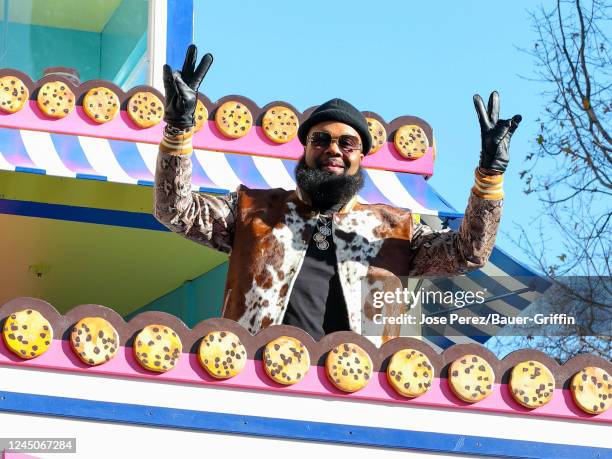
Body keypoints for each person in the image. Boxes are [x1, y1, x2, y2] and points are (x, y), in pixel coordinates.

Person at [154, 45, 522, 343]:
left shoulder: (397, 229)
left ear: (360, 157)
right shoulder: (254, 210)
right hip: (258, 385)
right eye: (321, 140)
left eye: (347, 143)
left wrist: (490, 175)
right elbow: (176, 210)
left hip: (362, 398)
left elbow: (469, 252)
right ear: (305, 149)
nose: (334, 149)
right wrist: (178, 128)